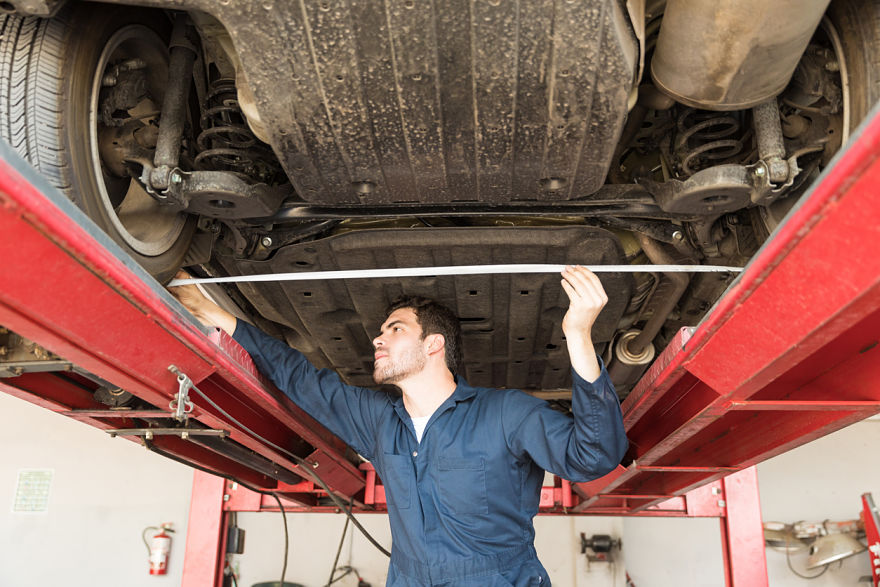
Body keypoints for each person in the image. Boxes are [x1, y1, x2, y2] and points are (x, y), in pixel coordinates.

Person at [170, 266, 628, 586]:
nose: (377, 337)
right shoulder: (378, 421)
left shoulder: (506, 413)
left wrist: (578, 335)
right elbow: (300, 379)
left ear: (433, 345)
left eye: (395, 329)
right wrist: (214, 316)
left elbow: (593, 456)